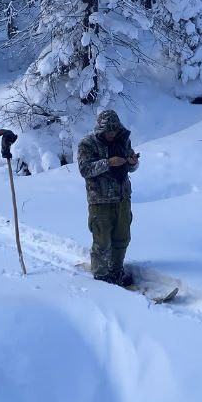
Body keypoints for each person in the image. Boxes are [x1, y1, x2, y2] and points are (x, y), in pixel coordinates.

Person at [77, 109, 140, 285]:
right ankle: (101, 277)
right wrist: (108, 163)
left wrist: (133, 162)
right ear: (100, 129)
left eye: (114, 130)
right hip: (100, 201)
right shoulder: (87, 144)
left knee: (122, 238)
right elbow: (85, 170)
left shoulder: (123, 141)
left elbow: (131, 167)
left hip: (122, 199)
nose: (112, 134)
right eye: (108, 131)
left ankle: (116, 271)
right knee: (102, 241)